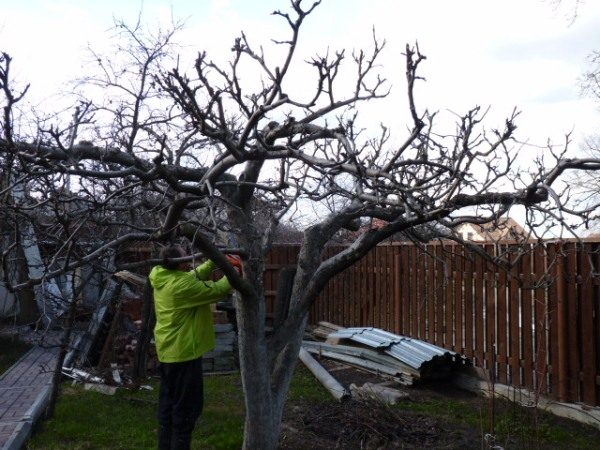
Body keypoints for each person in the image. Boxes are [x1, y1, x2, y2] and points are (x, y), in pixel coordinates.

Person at [149, 245, 242, 450]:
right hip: (184, 355)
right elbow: (217, 290)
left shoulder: (162, 275)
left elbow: (192, 276)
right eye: (186, 258)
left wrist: (213, 262)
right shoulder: (180, 286)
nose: (190, 260)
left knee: (168, 407)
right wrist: (236, 272)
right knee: (187, 410)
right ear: (179, 263)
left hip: (168, 352)